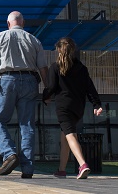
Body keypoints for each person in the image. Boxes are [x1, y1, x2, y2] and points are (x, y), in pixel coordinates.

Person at [0, 11, 48, 179]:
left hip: (7, 80)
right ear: (23, 23)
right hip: (30, 81)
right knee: (27, 125)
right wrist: (48, 88)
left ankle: (9, 153)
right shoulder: (34, 40)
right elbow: (43, 68)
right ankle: (27, 168)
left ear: (8, 23)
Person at [42, 37, 103, 179]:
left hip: (63, 107)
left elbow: (50, 87)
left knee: (70, 136)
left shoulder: (55, 67)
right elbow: (90, 88)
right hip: (78, 107)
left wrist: (45, 97)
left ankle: (82, 164)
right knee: (65, 137)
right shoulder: (81, 68)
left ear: (59, 50)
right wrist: (96, 104)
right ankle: (61, 170)